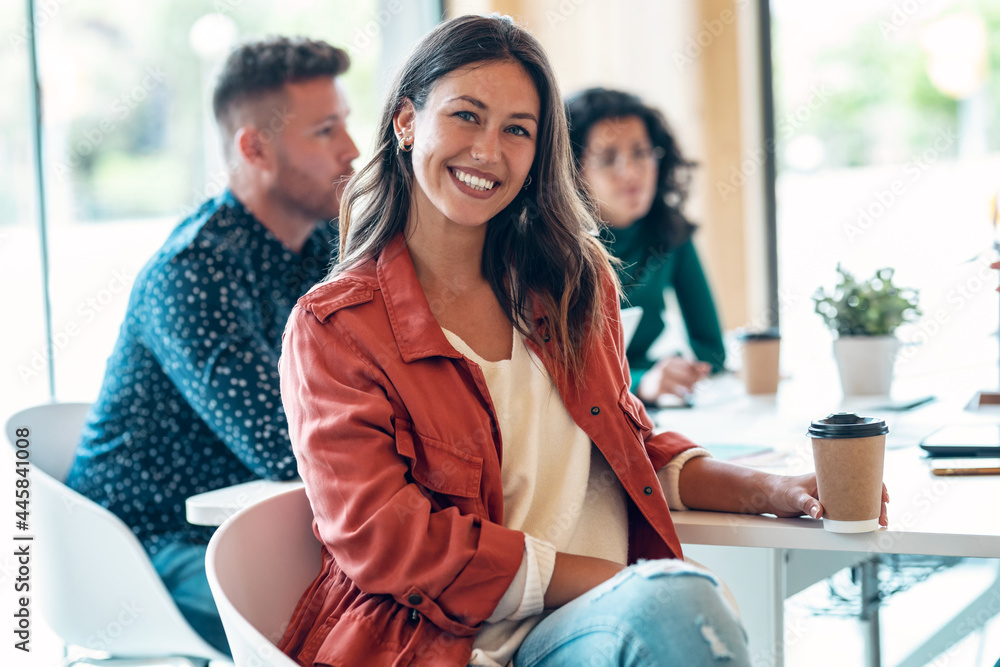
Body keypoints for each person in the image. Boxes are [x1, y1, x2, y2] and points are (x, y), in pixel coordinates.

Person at [276, 15, 888, 667]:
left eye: (518, 129)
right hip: (449, 644)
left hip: (590, 630)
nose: (488, 150)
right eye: (466, 116)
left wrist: (779, 490)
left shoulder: (570, 281)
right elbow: (390, 545)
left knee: (675, 604)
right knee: (677, 602)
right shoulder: (337, 326)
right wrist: (617, 581)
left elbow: (627, 449)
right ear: (405, 121)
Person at [65, 36, 359, 655]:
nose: (351, 151)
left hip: (258, 522)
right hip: (143, 546)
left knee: (417, 599)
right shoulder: (193, 270)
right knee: (346, 632)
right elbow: (286, 446)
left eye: (345, 126)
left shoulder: (317, 247)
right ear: (254, 147)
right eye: (325, 131)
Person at [565, 88, 726, 403]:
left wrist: (676, 372)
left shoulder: (669, 230)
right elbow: (558, 372)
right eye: (608, 158)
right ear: (571, 171)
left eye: (640, 152)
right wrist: (641, 382)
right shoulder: (551, 245)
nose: (631, 171)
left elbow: (711, 352)